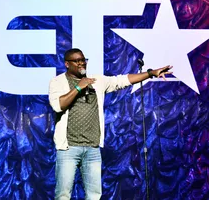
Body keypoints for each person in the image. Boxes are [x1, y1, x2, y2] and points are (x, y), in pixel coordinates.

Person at [48, 48, 172, 200]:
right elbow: (58, 106)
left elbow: (122, 80)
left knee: (94, 196)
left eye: (83, 60)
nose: (81, 63)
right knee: (63, 195)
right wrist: (79, 87)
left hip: (92, 149)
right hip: (68, 148)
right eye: (76, 61)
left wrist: (150, 73)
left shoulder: (97, 81)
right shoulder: (57, 82)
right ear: (67, 64)